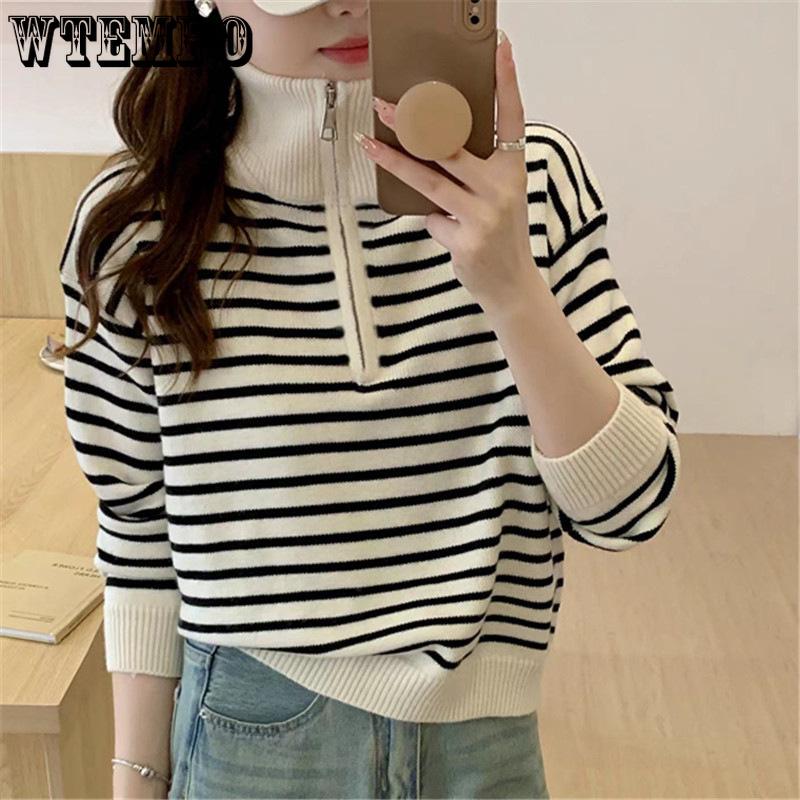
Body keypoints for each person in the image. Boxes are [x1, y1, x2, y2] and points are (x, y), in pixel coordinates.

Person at [57, 0, 682, 797]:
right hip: (246, 734)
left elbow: (631, 508)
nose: (348, 2)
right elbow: (139, 531)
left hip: (482, 738)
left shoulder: (530, 181)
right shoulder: (136, 227)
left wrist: (512, 289)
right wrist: (137, 780)